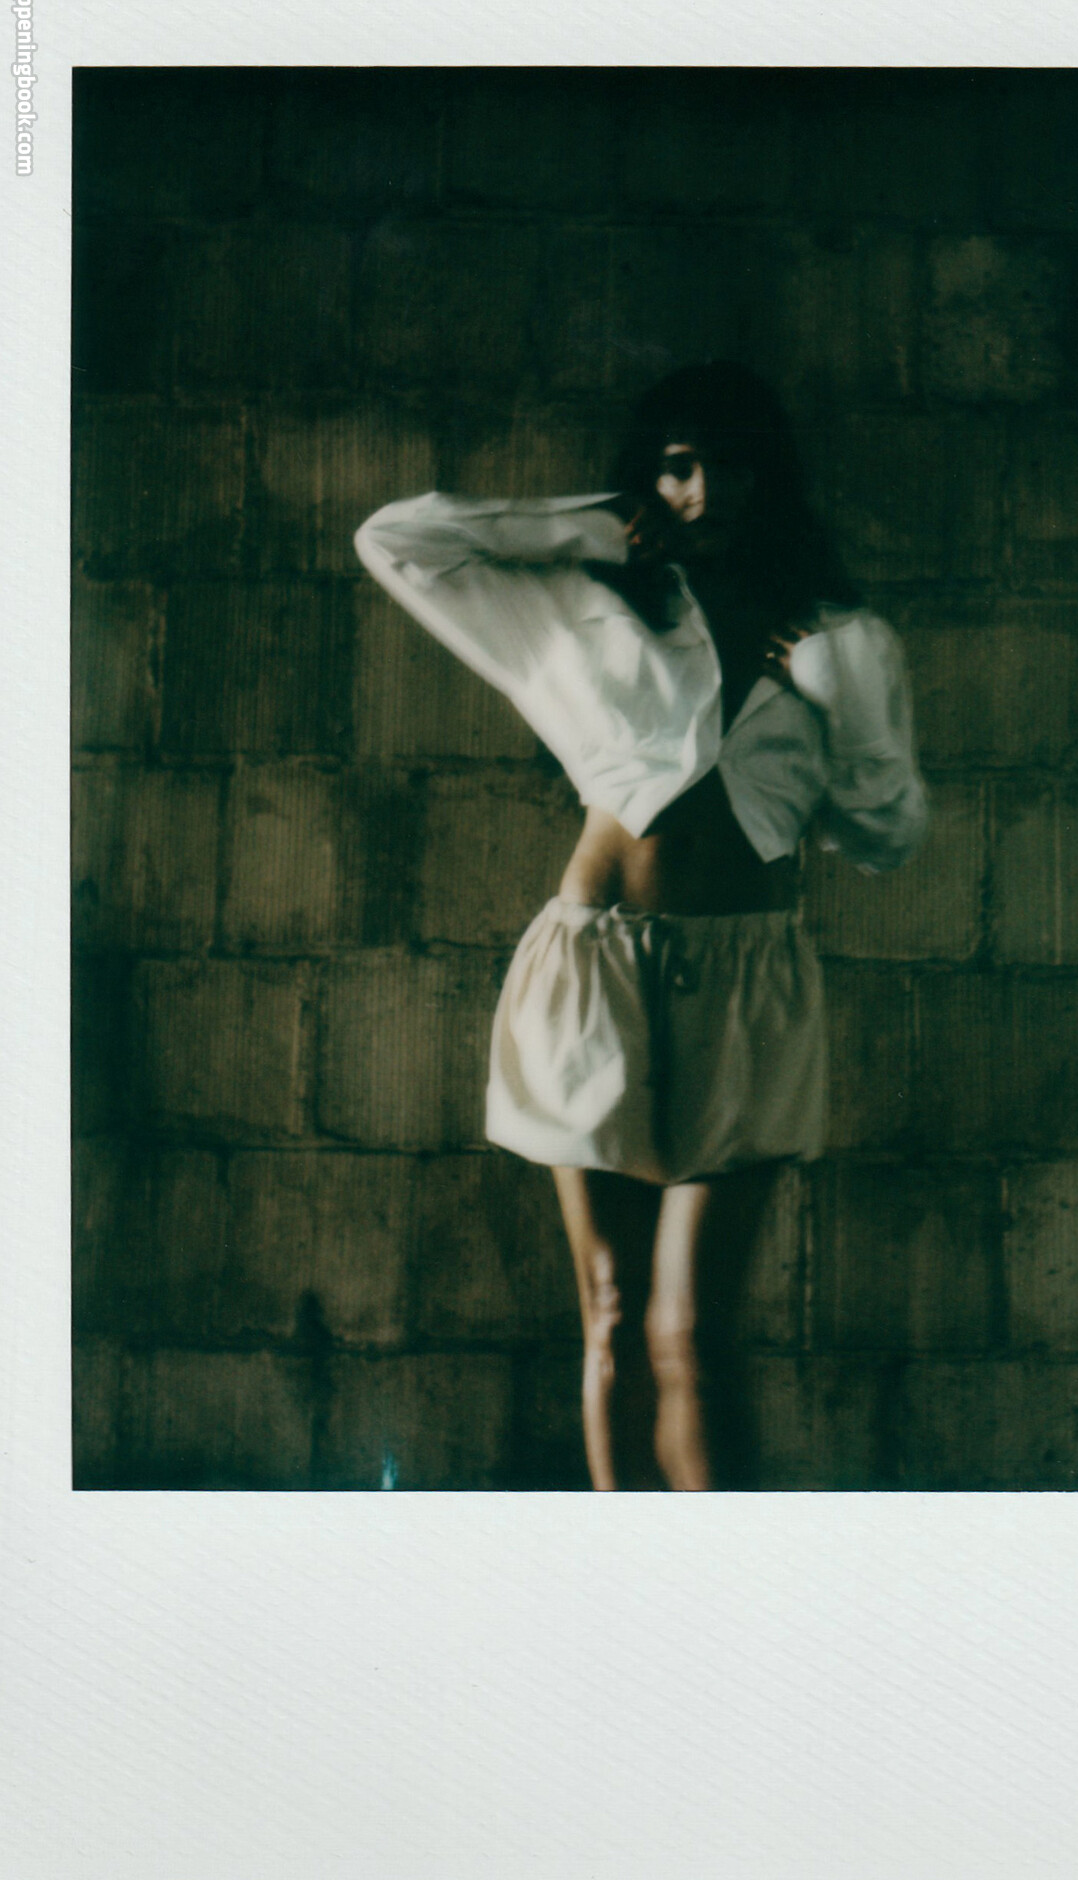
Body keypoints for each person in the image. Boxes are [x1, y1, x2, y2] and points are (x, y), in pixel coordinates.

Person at [353, 362, 927, 1490]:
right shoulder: (586, 608)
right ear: (647, 479)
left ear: (772, 477)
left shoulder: (845, 637)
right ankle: (621, 1582)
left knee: (693, 1335)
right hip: (594, 969)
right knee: (613, 1315)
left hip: (750, 983)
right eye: (677, 467)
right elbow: (396, 540)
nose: (706, 491)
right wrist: (592, 532)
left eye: (731, 465)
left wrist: (843, 702)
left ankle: (718, 1586)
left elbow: (886, 836)